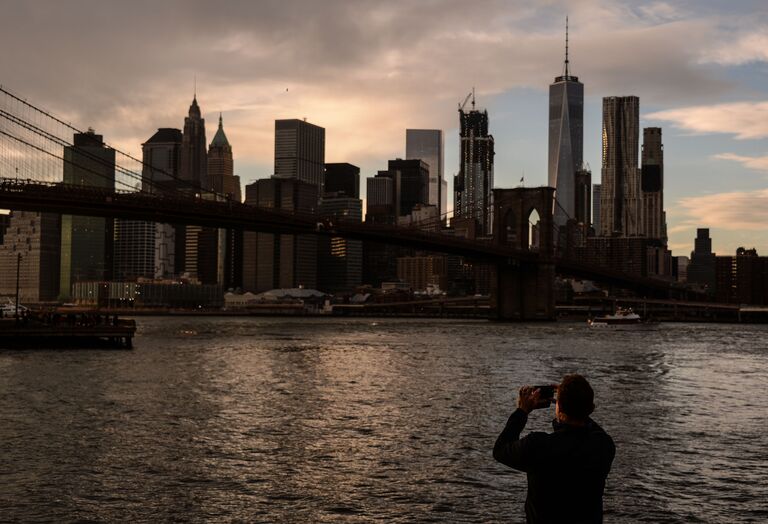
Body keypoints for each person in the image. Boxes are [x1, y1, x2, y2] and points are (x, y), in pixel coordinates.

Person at [493, 374, 615, 523]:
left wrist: (522, 410)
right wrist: (574, 403)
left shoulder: (538, 446)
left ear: (559, 407)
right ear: (590, 409)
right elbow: (591, 426)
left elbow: (500, 449)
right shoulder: (603, 446)